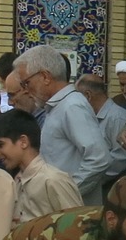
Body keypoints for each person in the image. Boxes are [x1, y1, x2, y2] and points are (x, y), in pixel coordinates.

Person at [15, 45, 111, 204]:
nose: (26, 90)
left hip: (73, 210)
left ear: (45, 77)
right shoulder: (57, 107)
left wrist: (66, 191)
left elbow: (99, 158)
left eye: (26, 83)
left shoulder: (72, 106)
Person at [0, 110, 82, 226]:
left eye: (0, 145)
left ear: (23, 142)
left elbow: (77, 227)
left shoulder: (52, 180)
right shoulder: (17, 181)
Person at [77, 73, 126, 179]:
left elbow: (123, 158)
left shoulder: (118, 117)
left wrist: (90, 174)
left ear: (88, 96)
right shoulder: (91, 116)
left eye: (78, 98)